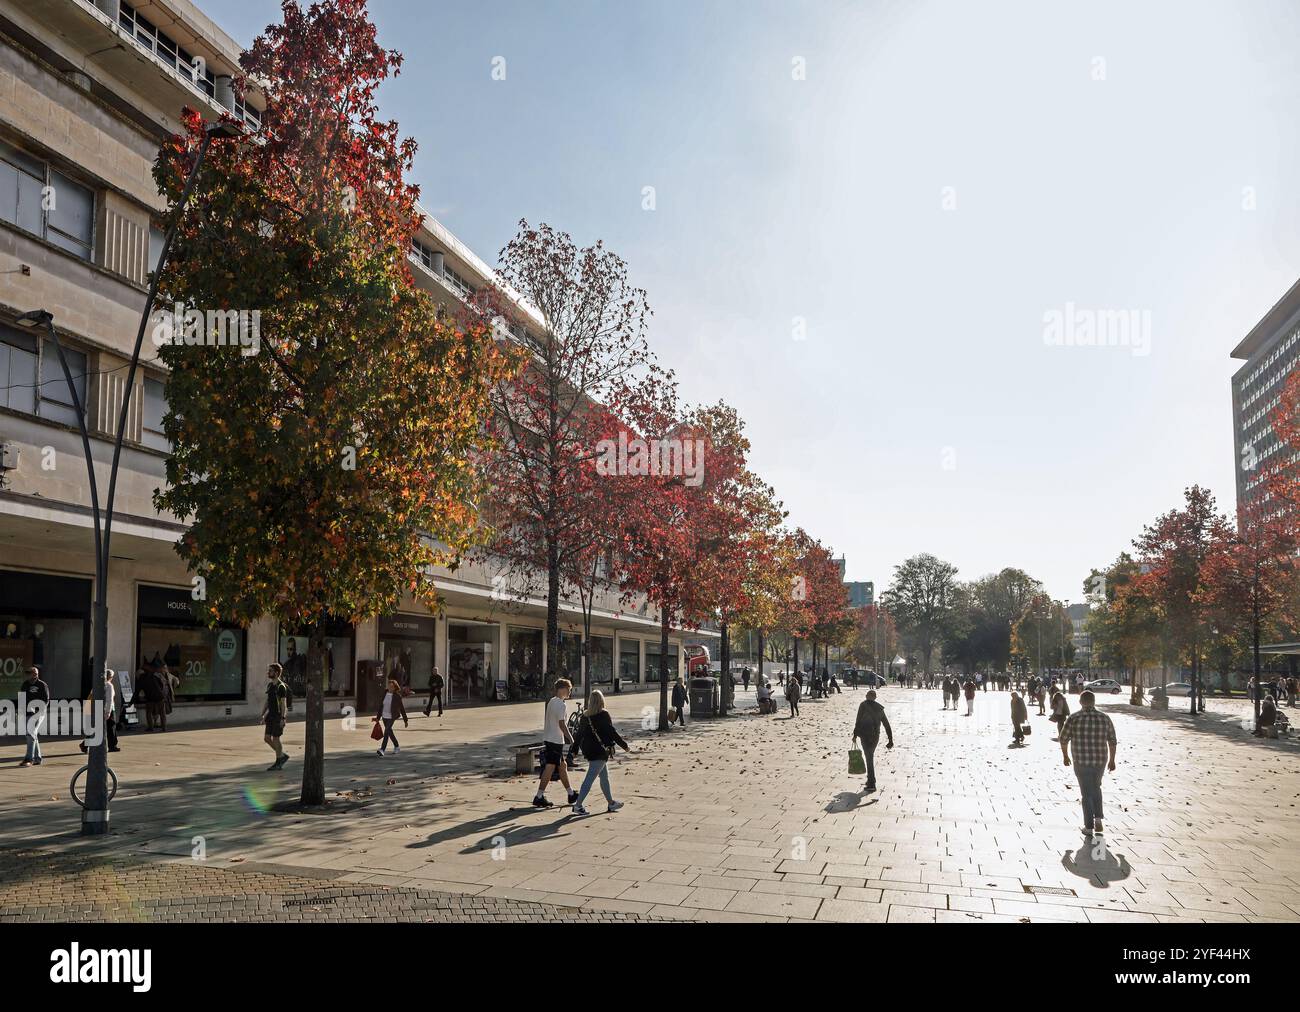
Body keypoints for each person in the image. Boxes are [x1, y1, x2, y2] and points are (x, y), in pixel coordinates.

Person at [1059, 690, 1118, 844]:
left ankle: (1089, 826)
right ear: (1093, 701)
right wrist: (1112, 760)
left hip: (1081, 760)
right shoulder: (1104, 718)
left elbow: (1063, 739)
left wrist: (1065, 756)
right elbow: (1112, 741)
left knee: (1086, 793)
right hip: (1100, 761)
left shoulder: (1074, 718)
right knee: (1096, 787)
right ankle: (1098, 818)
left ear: (1080, 702)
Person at [572, 690, 630, 816]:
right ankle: (578, 805)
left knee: (604, 777)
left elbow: (579, 735)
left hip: (589, 750)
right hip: (601, 751)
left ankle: (611, 803)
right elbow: (612, 732)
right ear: (601, 701)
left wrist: (574, 749)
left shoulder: (585, 716)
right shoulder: (604, 715)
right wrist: (624, 745)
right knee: (589, 779)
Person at [533, 678, 578, 809]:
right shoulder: (561, 705)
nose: (570, 692)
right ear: (562, 689)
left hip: (549, 738)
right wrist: (571, 738)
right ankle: (539, 796)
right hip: (555, 740)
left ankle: (571, 794)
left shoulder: (552, 701)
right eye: (569, 689)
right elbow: (562, 724)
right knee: (550, 767)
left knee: (562, 766)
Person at [851, 690, 895, 793]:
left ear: (867, 696)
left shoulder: (863, 705)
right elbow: (886, 725)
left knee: (869, 758)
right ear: (875, 698)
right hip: (875, 737)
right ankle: (871, 779)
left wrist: (855, 735)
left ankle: (871, 784)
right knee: (869, 756)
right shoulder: (880, 709)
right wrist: (890, 739)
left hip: (865, 736)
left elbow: (858, 721)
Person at [261, 663, 292, 770]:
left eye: (270, 671)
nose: (268, 672)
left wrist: (283, 718)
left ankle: (279, 762)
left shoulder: (281, 687)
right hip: (270, 716)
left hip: (278, 716)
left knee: (276, 738)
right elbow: (268, 701)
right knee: (267, 738)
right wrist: (263, 714)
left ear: (277, 673)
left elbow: (283, 704)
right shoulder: (270, 685)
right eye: (269, 670)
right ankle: (282, 755)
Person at [18, 665, 49, 767]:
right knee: (33, 735)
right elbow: (21, 698)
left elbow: (46, 700)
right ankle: (37, 759)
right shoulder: (25, 684)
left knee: (30, 734)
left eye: (29, 673)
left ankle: (29, 759)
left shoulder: (42, 685)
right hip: (27, 713)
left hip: (38, 713)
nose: (27, 675)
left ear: (35, 674)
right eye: (27, 673)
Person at [375, 677, 408, 756]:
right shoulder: (385, 694)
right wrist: (378, 718)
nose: (390, 687)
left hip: (392, 716)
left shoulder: (397, 696)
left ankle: (382, 749)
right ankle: (397, 746)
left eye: (392, 686)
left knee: (387, 731)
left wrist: (405, 720)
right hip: (384, 716)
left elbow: (402, 708)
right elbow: (381, 706)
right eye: (389, 686)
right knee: (389, 732)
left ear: (395, 687)